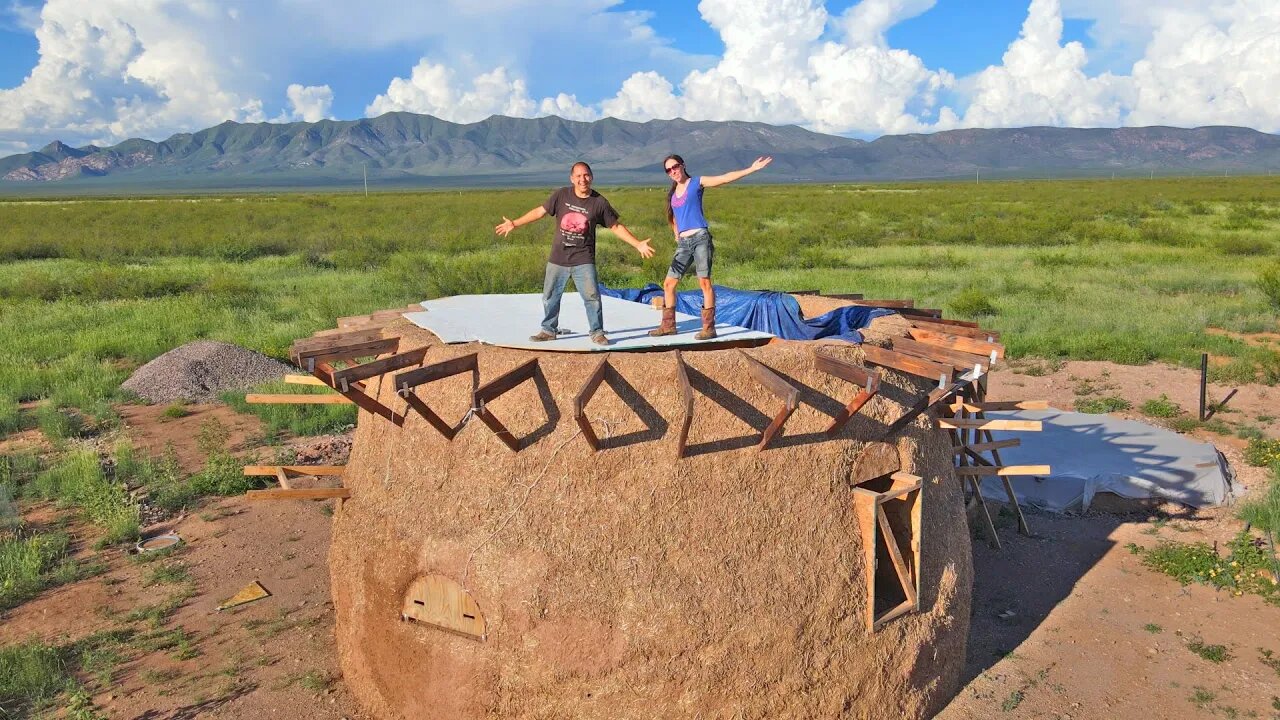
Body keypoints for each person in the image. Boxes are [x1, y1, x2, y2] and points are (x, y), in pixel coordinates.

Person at [496, 161, 654, 345]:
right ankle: (548, 330)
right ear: (572, 178)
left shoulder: (599, 202)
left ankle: (597, 332)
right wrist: (515, 223)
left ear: (592, 177)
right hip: (558, 257)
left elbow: (615, 226)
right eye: (578, 176)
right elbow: (540, 211)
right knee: (550, 296)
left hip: (583, 258)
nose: (582, 179)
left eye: (586, 175)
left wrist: (637, 244)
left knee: (592, 296)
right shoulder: (561, 195)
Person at [649, 154, 772, 339]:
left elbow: (723, 178)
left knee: (704, 282)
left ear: (683, 165)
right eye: (668, 170)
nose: (673, 171)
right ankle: (668, 325)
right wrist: (676, 232)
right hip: (684, 244)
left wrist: (751, 169)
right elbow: (674, 216)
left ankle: (708, 328)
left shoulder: (697, 183)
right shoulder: (673, 194)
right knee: (669, 283)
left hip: (700, 239)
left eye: (675, 166)